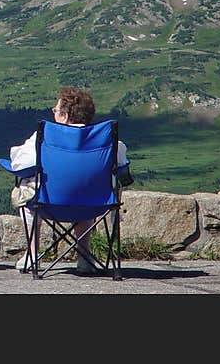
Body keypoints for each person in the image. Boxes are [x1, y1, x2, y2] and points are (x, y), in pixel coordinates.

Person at [9, 86, 130, 274]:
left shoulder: (43, 137)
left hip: (49, 204)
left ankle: (32, 254)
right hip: (95, 205)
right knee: (88, 188)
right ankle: (84, 256)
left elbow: (19, 165)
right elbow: (122, 164)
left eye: (56, 110)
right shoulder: (108, 141)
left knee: (24, 187)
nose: (54, 113)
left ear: (64, 115)